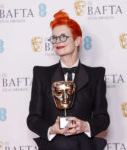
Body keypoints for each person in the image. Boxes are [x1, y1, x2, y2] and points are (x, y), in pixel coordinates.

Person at [27, 10, 110, 150]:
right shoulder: (41, 74)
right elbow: (33, 119)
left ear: (77, 40)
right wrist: (51, 129)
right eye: (54, 38)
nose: (58, 41)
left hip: (84, 146)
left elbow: (103, 118)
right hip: (53, 146)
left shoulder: (96, 75)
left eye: (63, 37)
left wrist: (85, 126)